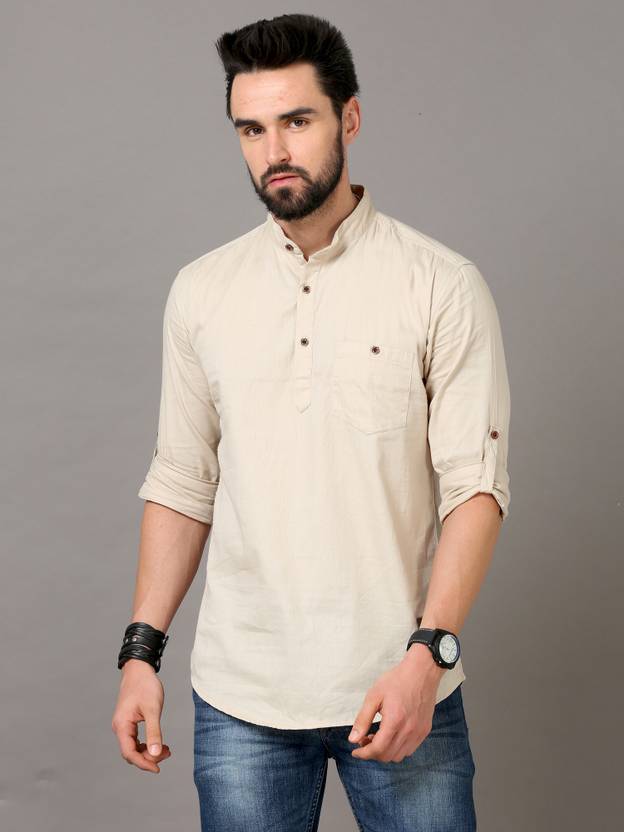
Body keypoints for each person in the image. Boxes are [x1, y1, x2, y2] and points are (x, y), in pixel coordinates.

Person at [111, 13, 511, 832]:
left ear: (349, 119)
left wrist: (428, 656)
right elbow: (183, 480)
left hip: (401, 685)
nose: (275, 151)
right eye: (252, 129)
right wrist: (140, 654)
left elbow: (476, 488)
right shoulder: (202, 291)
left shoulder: (440, 284)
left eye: (297, 121)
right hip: (241, 698)